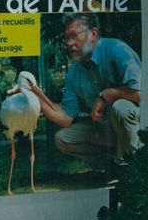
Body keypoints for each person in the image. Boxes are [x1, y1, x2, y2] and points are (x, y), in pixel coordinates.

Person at [31, 13, 141, 166]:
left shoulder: (117, 49)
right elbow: (66, 117)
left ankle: (135, 166)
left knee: (121, 108)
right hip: (106, 129)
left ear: (93, 33)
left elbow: (140, 94)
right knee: (62, 138)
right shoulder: (74, 71)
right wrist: (35, 98)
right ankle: (111, 165)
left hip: (138, 126)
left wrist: (107, 95)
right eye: (67, 38)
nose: (69, 43)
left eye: (75, 36)